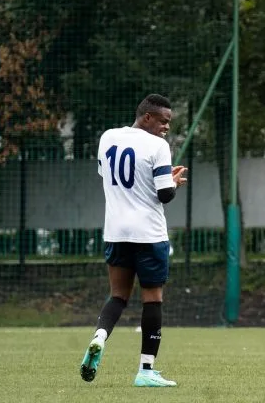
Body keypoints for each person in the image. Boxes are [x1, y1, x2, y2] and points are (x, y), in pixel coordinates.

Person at [80, 94, 187, 387]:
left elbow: (108, 176)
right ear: (147, 117)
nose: (167, 127)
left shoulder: (108, 137)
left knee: (117, 295)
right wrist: (173, 182)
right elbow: (164, 194)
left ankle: (99, 338)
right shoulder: (158, 146)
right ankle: (146, 371)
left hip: (116, 231)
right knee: (152, 299)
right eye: (164, 121)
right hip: (149, 234)